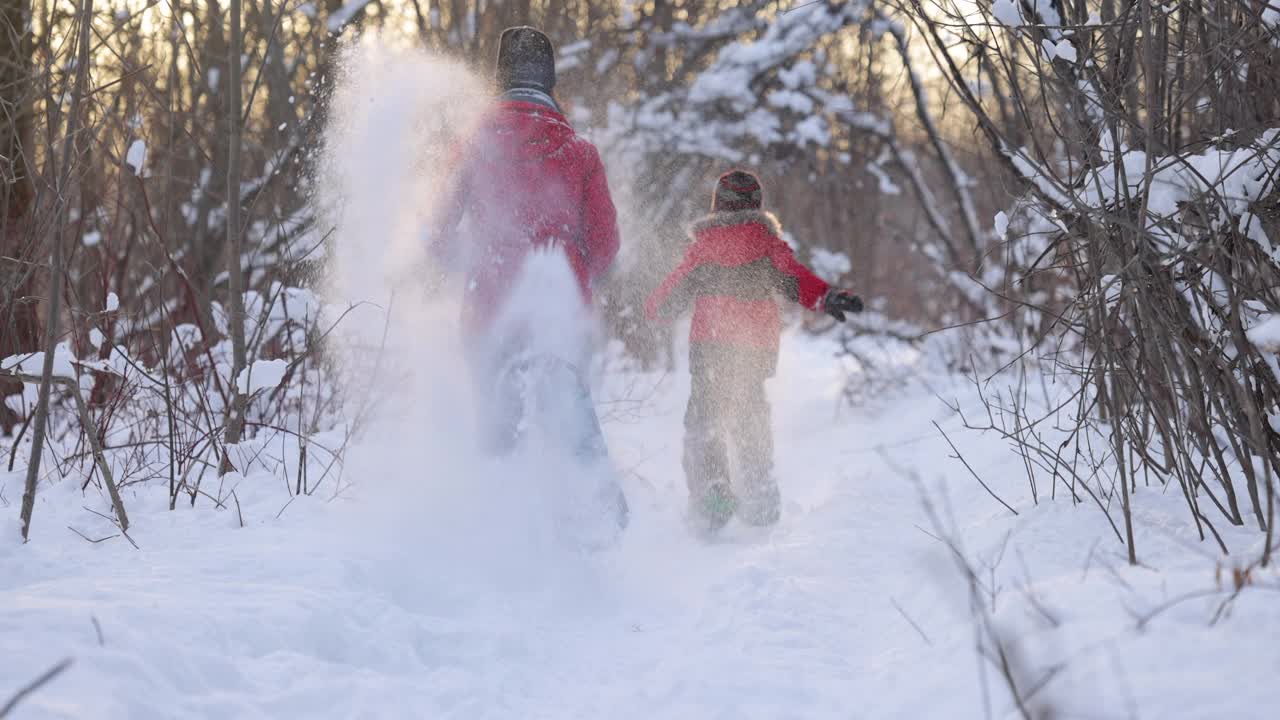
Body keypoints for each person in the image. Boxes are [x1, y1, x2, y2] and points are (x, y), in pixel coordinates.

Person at [430, 27, 627, 535]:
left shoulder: (472, 147)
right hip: (556, 318)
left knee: (498, 430)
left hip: (485, 316)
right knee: (567, 422)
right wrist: (582, 272)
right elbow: (605, 245)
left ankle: (499, 543)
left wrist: (474, 266)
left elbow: (437, 239)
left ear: (501, 79)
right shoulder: (581, 153)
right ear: (550, 82)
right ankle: (591, 536)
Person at [645, 170, 864, 532]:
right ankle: (759, 490)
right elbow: (796, 280)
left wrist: (657, 308)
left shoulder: (703, 250)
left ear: (717, 206)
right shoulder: (767, 246)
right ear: (757, 206)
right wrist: (828, 297)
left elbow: (664, 302)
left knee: (705, 417)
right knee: (750, 413)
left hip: (710, 344)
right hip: (754, 346)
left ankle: (713, 492)